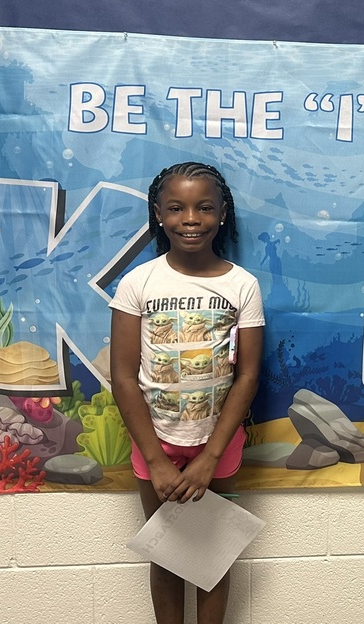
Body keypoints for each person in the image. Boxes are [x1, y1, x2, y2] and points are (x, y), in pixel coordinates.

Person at [110, 162, 265, 624]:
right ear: (159, 214)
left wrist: (209, 457)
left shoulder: (242, 285)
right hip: (154, 442)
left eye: (204, 208)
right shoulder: (139, 282)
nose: (191, 219)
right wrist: (156, 459)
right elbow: (122, 376)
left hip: (217, 446)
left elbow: (249, 376)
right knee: (167, 557)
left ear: (222, 213)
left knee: (211, 562)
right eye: (176, 208)